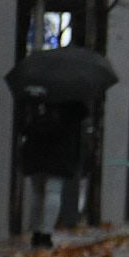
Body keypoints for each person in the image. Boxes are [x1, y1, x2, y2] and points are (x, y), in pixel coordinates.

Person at [18, 88, 88, 248]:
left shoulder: (35, 94)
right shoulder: (69, 96)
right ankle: (46, 233)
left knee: (38, 192)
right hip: (59, 148)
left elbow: (24, 122)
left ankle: (36, 232)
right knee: (53, 191)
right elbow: (81, 114)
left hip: (36, 147)